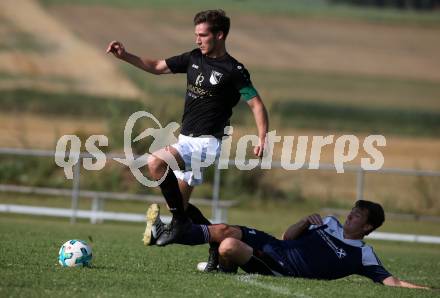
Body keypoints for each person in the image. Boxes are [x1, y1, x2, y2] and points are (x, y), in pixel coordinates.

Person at [106, 9, 269, 270]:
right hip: (186, 140)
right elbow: (158, 67)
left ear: (220, 35)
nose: (198, 40)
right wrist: (125, 56)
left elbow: (257, 104)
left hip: (206, 144)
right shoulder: (193, 58)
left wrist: (262, 138)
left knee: (156, 163)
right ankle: (215, 245)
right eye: (196, 35)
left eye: (203, 35)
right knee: (181, 206)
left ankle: (179, 224)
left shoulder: (234, 70)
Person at [145, 200, 429, 289]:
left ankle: (216, 262)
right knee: (223, 229)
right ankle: (167, 232)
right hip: (275, 245)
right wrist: (305, 221)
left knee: (227, 246)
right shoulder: (329, 222)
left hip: (282, 266)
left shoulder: (363, 254)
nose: (350, 215)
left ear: (367, 227)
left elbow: (393, 282)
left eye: (357, 215)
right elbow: (287, 236)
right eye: (352, 210)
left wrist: (426, 290)